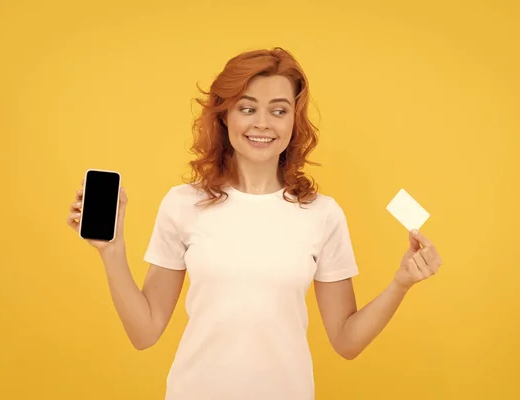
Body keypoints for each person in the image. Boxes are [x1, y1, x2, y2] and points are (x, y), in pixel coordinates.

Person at [66, 47, 443, 400]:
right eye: (247, 109)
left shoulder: (322, 214)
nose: (263, 123)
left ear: (294, 121)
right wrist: (112, 252)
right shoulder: (183, 204)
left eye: (279, 111)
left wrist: (401, 284)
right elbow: (144, 332)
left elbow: (346, 342)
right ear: (224, 114)